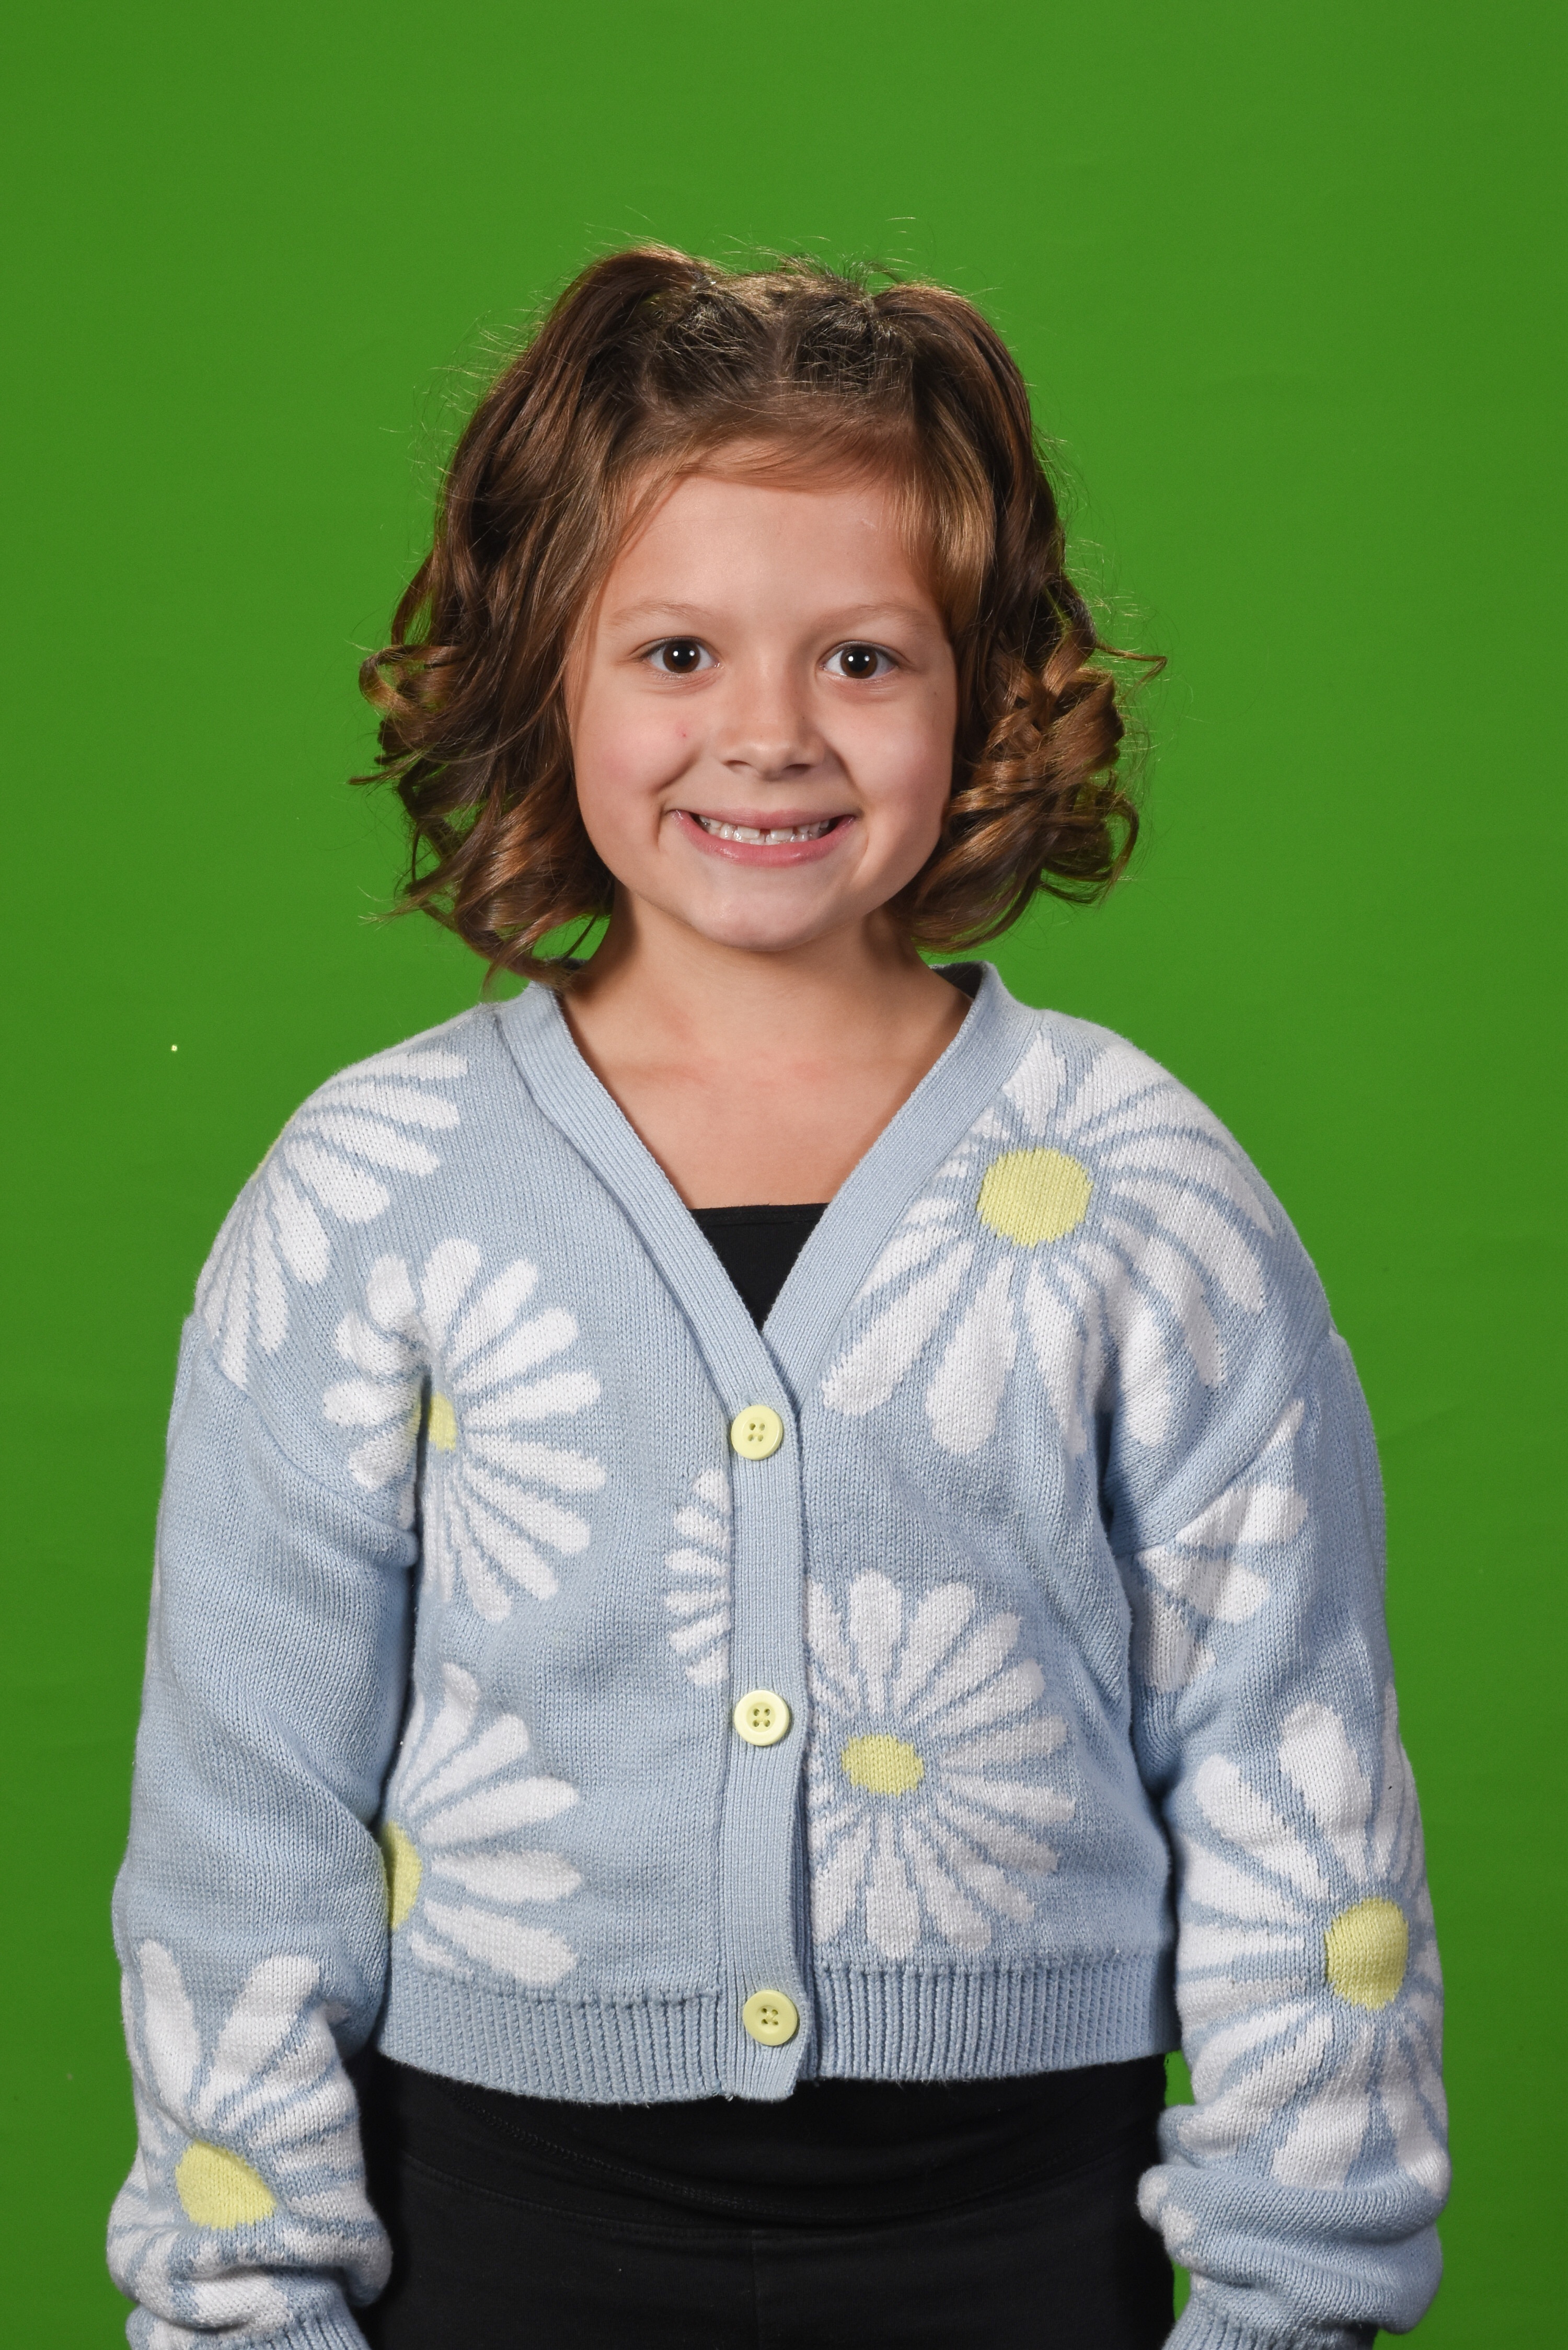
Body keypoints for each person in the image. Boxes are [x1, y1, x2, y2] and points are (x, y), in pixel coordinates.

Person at [108, 249, 1448, 2350]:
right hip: (500, 2238)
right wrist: (243, 2300)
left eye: (862, 658)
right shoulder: (376, 1193)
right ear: (546, 672)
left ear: (982, 687)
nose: (767, 734)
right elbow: (240, 1816)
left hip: (1026, 2235)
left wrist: (1295, 2293)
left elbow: (1301, 1775)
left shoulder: (1144, 1187)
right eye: (677, 650)